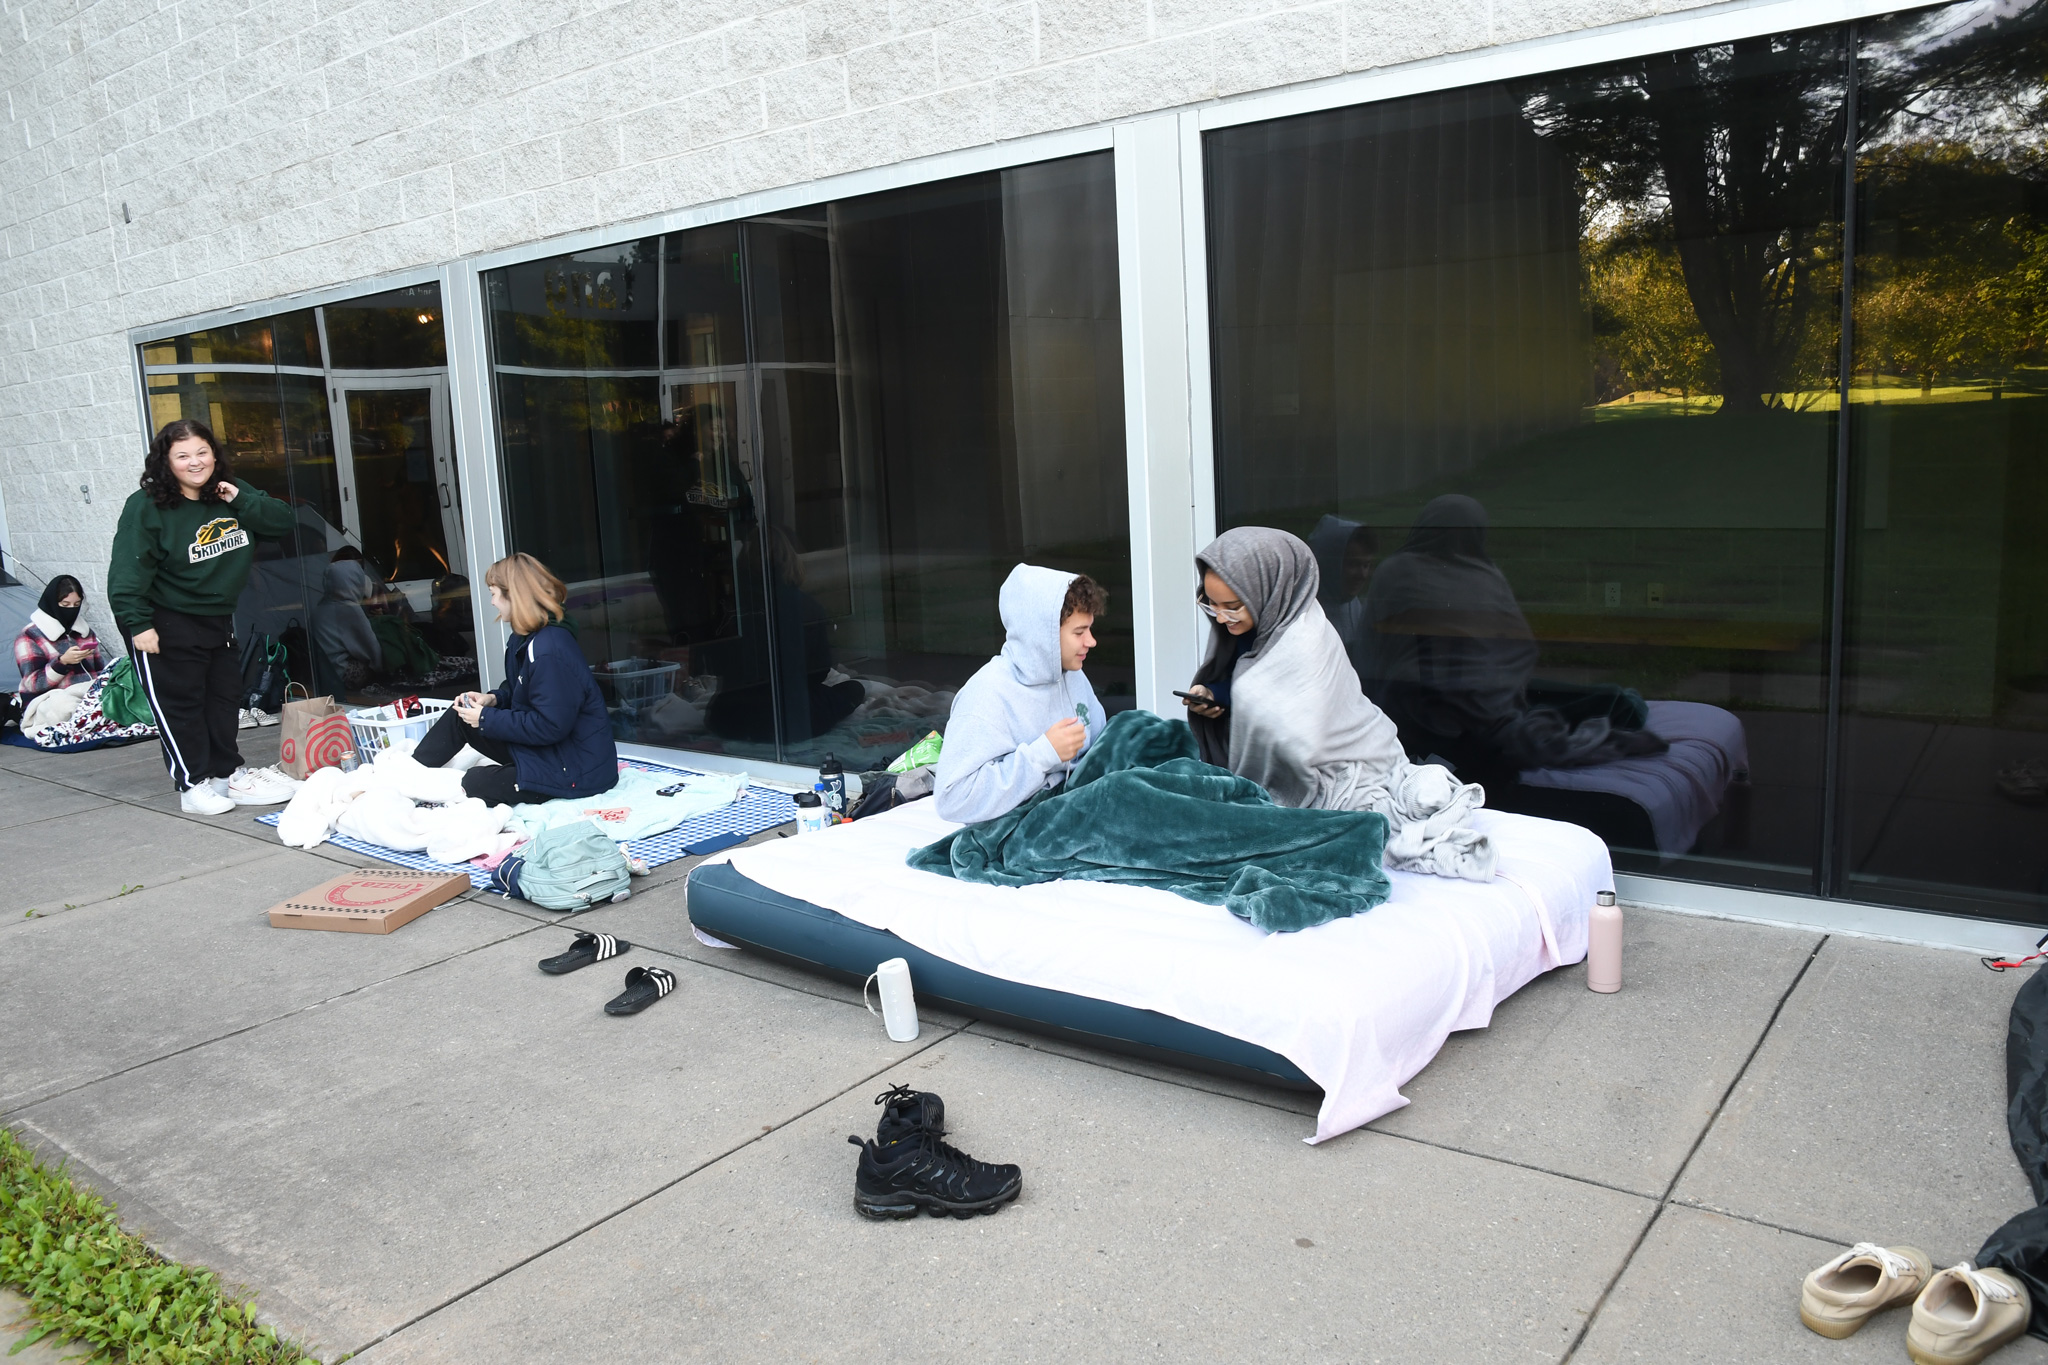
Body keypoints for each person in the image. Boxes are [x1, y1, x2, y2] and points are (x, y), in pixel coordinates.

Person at [1179, 526, 1495, 881]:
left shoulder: (1304, 640)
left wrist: (1245, 706)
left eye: (1233, 607)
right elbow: (1247, 687)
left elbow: (1299, 735)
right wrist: (1214, 697)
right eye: (1210, 604)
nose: (1220, 618)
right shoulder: (1254, 627)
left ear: (1267, 590)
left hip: (1346, 760)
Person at [108, 419, 300, 814]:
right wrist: (138, 624)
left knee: (222, 701)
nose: (195, 462)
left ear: (214, 454)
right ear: (166, 462)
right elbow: (128, 570)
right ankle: (192, 785)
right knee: (181, 706)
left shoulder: (230, 492)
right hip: (164, 620)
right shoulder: (146, 506)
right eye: (182, 456)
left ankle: (223, 776)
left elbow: (281, 522)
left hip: (216, 618)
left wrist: (240, 499)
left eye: (201, 452)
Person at [408, 552, 617, 806]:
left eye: (494, 593)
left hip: (576, 770)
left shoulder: (550, 649)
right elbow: (524, 688)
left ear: (514, 596)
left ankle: (418, 787)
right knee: (461, 713)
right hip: (550, 752)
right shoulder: (524, 637)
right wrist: (494, 699)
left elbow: (551, 725)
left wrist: (485, 718)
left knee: (474, 781)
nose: (493, 602)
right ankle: (408, 773)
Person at [934, 564, 1108, 824]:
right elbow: (952, 799)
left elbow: (1101, 748)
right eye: (1079, 632)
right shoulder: (987, 696)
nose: (1091, 641)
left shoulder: (1072, 676)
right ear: (1043, 635)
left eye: (1090, 629)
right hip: (1021, 829)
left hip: (1075, 810)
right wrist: (1042, 755)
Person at [11, 576, 102, 728]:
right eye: (65, 604)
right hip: (46, 702)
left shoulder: (85, 633)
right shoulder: (29, 636)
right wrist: (62, 663)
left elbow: (100, 672)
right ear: (53, 603)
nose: (71, 609)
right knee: (64, 706)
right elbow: (33, 685)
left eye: (76, 604)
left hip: (86, 695)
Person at [312, 550, 384, 692]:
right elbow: (371, 648)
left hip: (323, 672)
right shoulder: (348, 608)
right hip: (341, 673)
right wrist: (383, 669)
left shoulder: (322, 606)